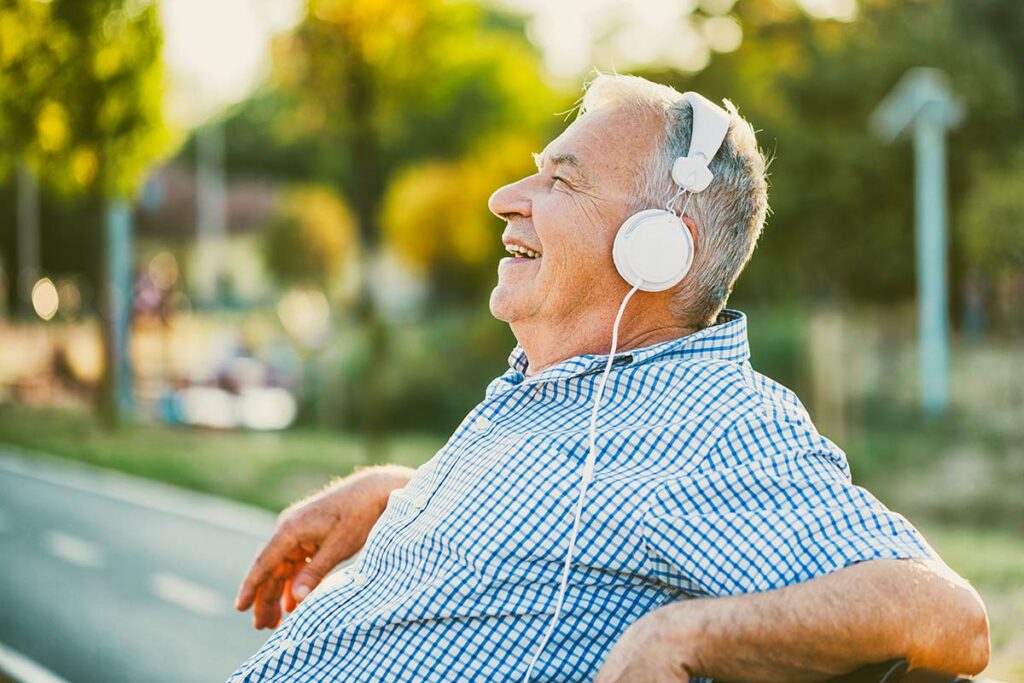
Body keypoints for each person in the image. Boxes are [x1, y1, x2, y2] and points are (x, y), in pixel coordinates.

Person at [229, 74, 989, 683]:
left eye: (562, 182)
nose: (505, 200)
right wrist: (403, 496)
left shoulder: (709, 422)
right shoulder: (562, 388)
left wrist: (681, 634)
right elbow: (576, 510)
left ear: (656, 249)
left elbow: (951, 617)